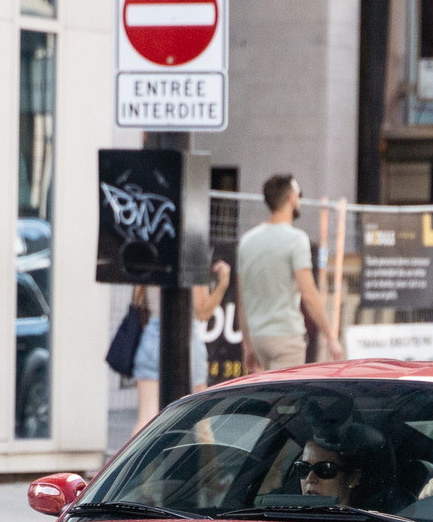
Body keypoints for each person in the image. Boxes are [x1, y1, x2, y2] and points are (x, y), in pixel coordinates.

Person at [236, 174, 334, 373]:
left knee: (269, 399)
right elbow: (308, 294)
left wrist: (247, 344)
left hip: (258, 337)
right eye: (299, 194)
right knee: (288, 402)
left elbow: (242, 298)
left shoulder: (247, 241)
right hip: (286, 336)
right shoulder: (296, 239)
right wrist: (330, 336)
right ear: (291, 198)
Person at [128, 259, 231, 433]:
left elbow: (140, 301)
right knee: (201, 422)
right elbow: (203, 312)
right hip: (185, 339)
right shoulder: (191, 258)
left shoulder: (150, 259)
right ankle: (206, 461)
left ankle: (134, 461)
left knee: (146, 420)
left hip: (151, 337)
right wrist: (222, 284)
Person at [297, 422, 396, 512]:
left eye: (324, 469)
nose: (310, 479)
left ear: (353, 478)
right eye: (303, 468)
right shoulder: (286, 518)